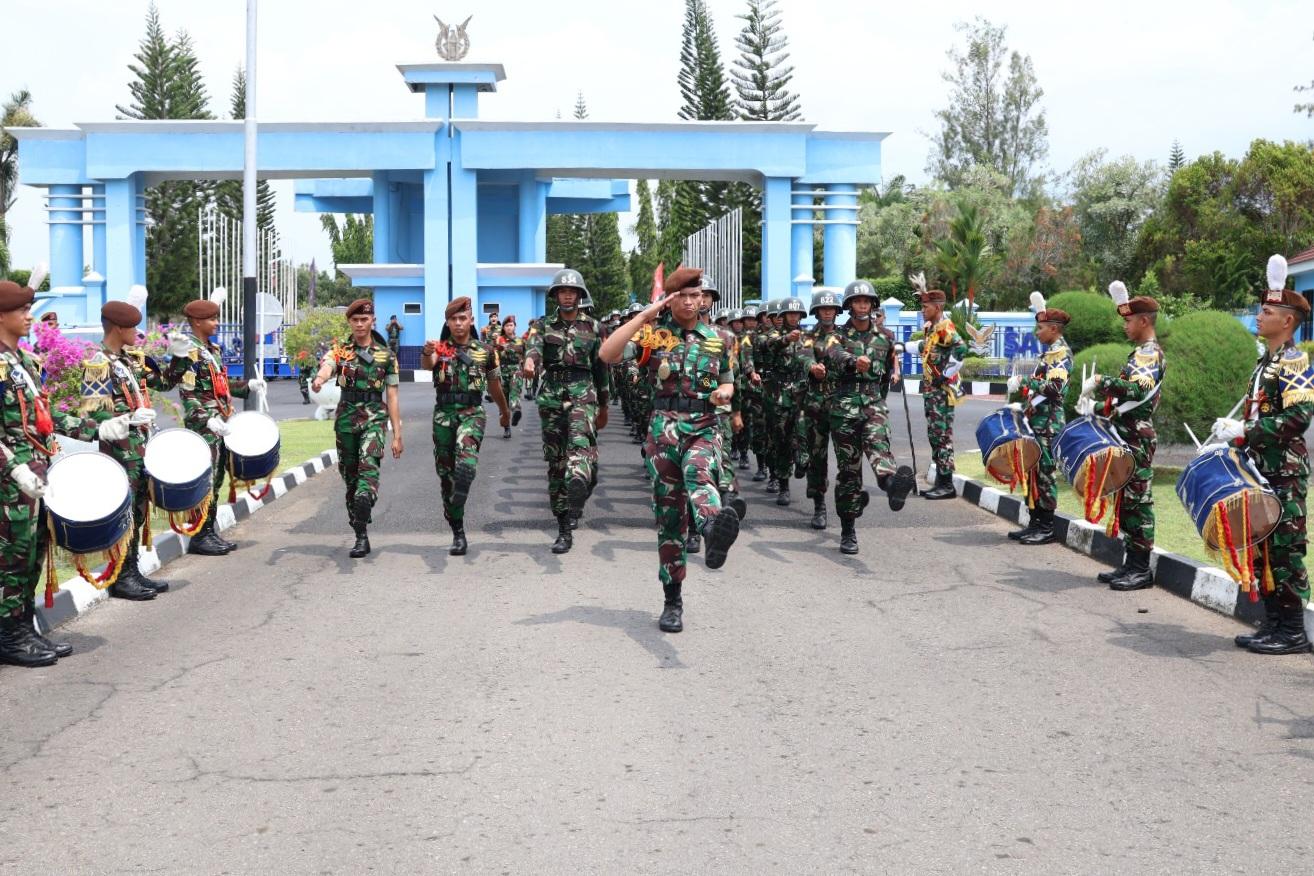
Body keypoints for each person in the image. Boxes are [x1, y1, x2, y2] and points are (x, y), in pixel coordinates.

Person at [599, 266, 745, 634]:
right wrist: (645, 317)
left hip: (705, 424)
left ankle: (712, 526)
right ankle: (672, 599)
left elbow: (728, 383)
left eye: (698, 295)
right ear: (671, 299)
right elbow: (608, 354)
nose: (692, 301)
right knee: (669, 520)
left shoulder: (722, 339)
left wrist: (725, 394)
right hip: (664, 428)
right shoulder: (656, 337)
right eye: (684, 295)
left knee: (700, 470)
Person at [0, 275, 105, 666]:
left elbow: (45, 417)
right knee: (12, 559)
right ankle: (10, 636)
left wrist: (97, 428)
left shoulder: (23, 361)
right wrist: (13, 469)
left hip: (37, 476)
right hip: (10, 483)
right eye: (22, 310)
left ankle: (24, 627)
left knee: (32, 556)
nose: (30, 316)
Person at [1213, 255, 1313, 654]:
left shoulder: (1294, 361)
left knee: (1286, 552)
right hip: (1263, 470)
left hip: (1285, 472)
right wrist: (1237, 437)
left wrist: (1247, 430)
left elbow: (1299, 417)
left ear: (1287, 320)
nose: (1259, 315)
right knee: (1265, 547)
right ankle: (1274, 625)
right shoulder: (1266, 362)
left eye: (1267, 310)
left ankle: (1291, 632)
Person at [80, 298, 171, 600]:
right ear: (117, 328)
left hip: (140, 451)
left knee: (138, 512)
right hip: (119, 452)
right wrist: (127, 419)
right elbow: (92, 413)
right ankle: (120, 576)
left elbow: (163, 383)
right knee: (124, 513)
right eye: (132, 327)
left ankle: (131, 570)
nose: (138, 332)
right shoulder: (98, 364)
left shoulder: (129, 361)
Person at [1079, 281, 1164, 591]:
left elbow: (1138, 389)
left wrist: (1102, 381)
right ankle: (1130, 563)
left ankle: (1142, 569)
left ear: (1144, 321)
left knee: (1138, 502)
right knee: (1127, 502)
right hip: (1127, 435)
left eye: (1129, 320)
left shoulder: (1149, 354)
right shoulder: (1139, 353)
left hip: (1137, 437)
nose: (1125, 325)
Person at [163, 296, 265, 556]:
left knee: (217, 478)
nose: (217, 323)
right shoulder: (189, 352)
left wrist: (247, 386)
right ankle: (199, 534)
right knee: (205, 480)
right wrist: (205, 419)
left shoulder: (212, 350)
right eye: (212, 319)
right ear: (197, 322)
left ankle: (208, 531)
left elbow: (221, 385)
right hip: (205, 425)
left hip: (222, 421)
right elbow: (187, 393)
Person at [823, 280, 916, 553]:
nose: (862, 305)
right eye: (857, 300)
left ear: (872, 305)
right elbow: (833, 356)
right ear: (849, 305)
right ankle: (848, 530)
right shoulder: (837, 335)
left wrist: (879, 401)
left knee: (879, 444)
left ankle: (891, 485)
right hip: (844, 409)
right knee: (849, 472)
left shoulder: (886, 337)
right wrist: (854, 362)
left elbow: (887, 374)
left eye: (867, 301)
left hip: (874, 404)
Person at [310, 298, 404, 558]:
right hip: (346, 420)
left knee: (368, 465)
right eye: (356, 320)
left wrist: (397, 434)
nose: (361, 324)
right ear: (349, 322)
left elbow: (393, 396)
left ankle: (366, 504)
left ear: (373, 320)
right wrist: (319, 379)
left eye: (365, 319)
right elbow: (328, 365)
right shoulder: (340, 351)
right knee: (350, 478)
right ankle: (360, 530)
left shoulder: (387, 356)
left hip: (374, 418)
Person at [523, 269, 608, 554]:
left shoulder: (594, 328)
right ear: (556, 296)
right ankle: (563, 526)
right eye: (562, 291)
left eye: (572, 291)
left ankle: (581, 485)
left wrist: (605, 404)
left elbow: (601, 368)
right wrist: (531, 363)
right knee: (557, 463)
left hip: (584, 393)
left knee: (583, 454)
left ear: (580, 295)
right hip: (552, 397)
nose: (568, 295)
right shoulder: (541, 325)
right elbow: (533, 349)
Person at [422, 297, 511, 556]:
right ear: (448, 322)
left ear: (471, 321)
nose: (459, 323)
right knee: (446, 478)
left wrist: (505, 412)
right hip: (443, 416)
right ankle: (458, 531)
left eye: (463, 318)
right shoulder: (439, 348)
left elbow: (495, 386)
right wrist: (427, 352)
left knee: (466, 457)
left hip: (473, 412)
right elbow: (427, 365)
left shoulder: (486, 351)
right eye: (454, 319)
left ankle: (466, 474)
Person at [1005, 293, 1073, 546]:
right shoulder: (1049, 354)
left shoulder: (1061, 355)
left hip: (1048, 424)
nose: (1037, 332)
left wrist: (1024, 380)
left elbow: (1056, 389)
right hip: (1036, 421)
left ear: (1054, 329)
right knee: (1031, 472)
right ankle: (1034, 522)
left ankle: (1045, 526)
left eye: (1041, 328)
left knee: (1044, 474)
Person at [911, 274, 967, 500]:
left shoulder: (945, 328)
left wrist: (945, 375)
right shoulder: (934, 329)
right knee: (936, 436)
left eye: (925, 306)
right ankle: (942, 482)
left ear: (936, 307)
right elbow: (926, 347)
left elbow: (961, 351)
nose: (923, 310)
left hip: (942, 394)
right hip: (932, 393)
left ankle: (947, 485)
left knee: (942, 436)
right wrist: (900, 347)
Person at [798, 289, 843, 529]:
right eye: (823, 309)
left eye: (831, 308)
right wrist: (812, 365)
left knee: (846, 457)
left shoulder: (845, 336)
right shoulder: (808, 336)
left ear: (837, 311)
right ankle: (819, 505)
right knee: (817, 458)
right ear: (816, 312)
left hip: (842, 404)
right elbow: (803, 356)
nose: (827, 312)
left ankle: (846, 504)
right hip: (815, 404)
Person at [764, 297, 809, 506]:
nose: (793, 317)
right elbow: (769, 345)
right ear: (782, 316)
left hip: (801, 390)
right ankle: (783, 485)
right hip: (779, 392)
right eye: (789, 314)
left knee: (803, 433)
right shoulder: (774, 335)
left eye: (796, 313)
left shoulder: (808, 337)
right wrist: (786, 339)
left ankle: (802, 460)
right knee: (782, 438)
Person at [495, 315, 525, 438]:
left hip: (516, 369)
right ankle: (506, 427)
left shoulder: (520, 340)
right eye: (506, 325)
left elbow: (525, 354)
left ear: (515, 326)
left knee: (515, 390)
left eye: (511, 325)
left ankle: (516, 410)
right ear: (503, 327)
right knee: (503, 400)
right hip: (502, 371)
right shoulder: (499, 340)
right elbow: (495, 355)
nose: (509, 328)